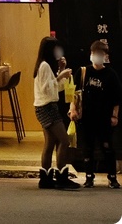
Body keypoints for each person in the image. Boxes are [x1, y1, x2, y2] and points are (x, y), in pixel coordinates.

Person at [70, 40, 122, 188]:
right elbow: (74, 93)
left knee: (107, 147)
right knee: (87, 148)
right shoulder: (83, 72)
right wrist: (73, 109)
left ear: (105, 56)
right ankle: (89, 177)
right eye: (94, 53)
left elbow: (117, 97)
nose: (96, 56)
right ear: (90, 54)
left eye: (100, 54)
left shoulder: (111, 74)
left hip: (104, 117)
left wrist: (115, 115)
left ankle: (112, 178)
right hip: (86, 117)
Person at [34, 36, 81, 189]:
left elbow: (56, 88)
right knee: (64, 141)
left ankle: (46, 179)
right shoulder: (44, 66)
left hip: (44, 107)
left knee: (50, 144)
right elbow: (47, 88)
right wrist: (60, 75)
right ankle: (61, 177)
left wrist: (60, 71)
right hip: (47, 108)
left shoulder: (44, 65)